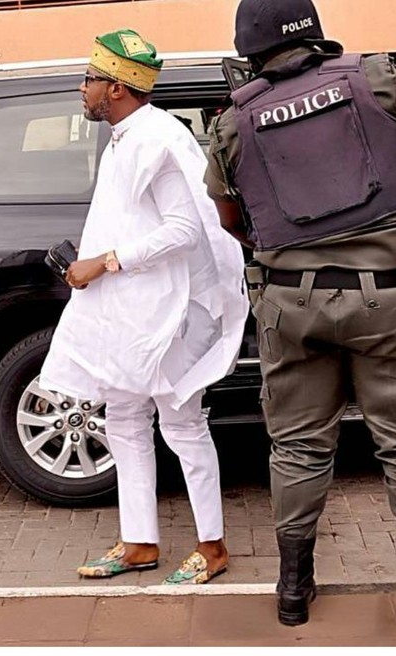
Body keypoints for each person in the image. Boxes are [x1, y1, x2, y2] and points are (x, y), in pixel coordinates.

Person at [204, 0, 396, 639]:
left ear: (248, 50)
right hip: (391, 300)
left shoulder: (232, 121)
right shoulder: (376, 78)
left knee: (298, 450)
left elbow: (230, 219)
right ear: (312, 30)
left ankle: (292, 591)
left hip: (292, 304)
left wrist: (288, 249)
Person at [40, 28, 248, 585]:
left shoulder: (158, 139)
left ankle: (213, 546)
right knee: (125, 418)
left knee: (182, 424)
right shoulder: (123, 138)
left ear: (117, 88)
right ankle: (139, 543)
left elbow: (183, 230)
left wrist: (104, 261)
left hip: (171, 312)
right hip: (131, 310)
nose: (81, 89)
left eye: (90, 79)